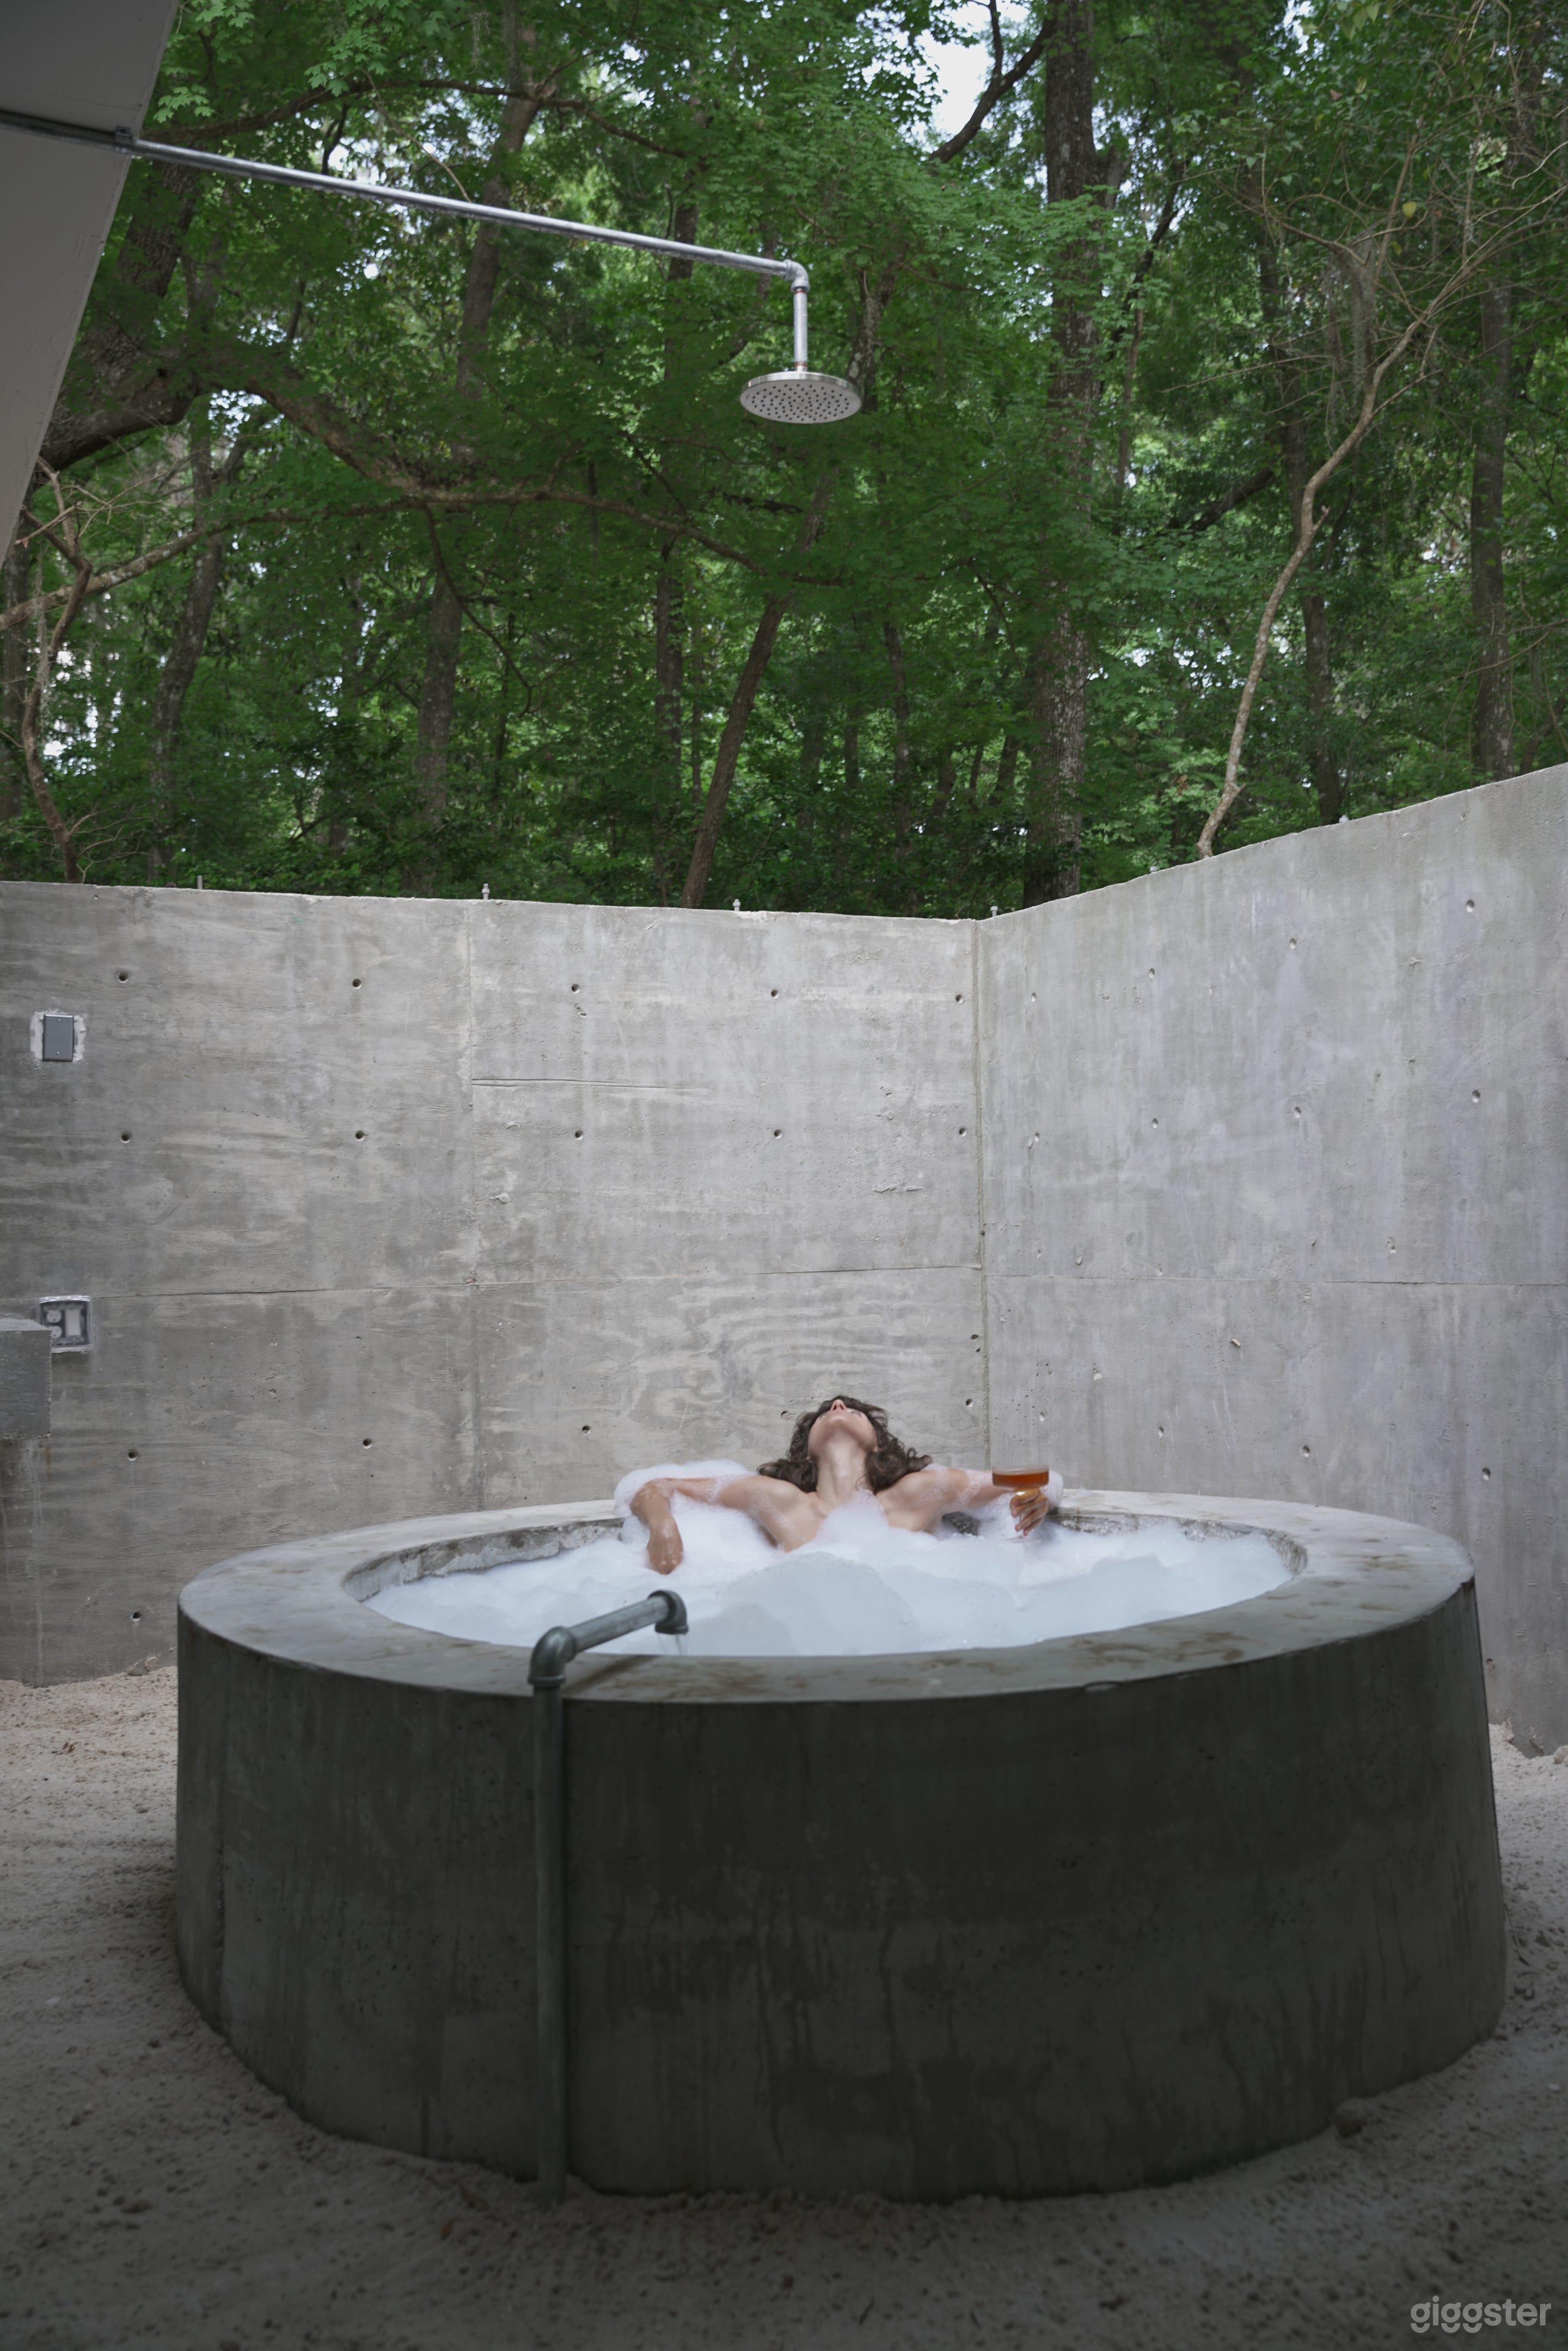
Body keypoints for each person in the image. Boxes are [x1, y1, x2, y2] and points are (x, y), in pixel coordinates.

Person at [629, 1394, 1061, 1576]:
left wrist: (1038, 1498)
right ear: (807, 1453)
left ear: (878, 1445)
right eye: (828, 1410)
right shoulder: (780, 1501)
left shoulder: (917, 1494)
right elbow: (654, 1489)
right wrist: (662, 1524)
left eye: (854, 1409)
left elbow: (1034, 1479)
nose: (838, 1405)